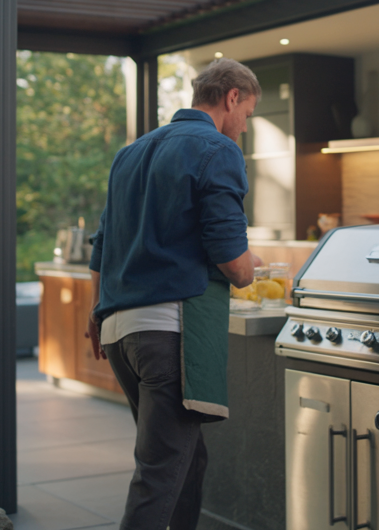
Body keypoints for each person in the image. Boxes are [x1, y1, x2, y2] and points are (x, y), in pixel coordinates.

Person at [85, 58, 263, 530]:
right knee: (158, 475)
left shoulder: (131, 153)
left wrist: (95, 310)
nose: (244, 126)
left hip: (121, 333)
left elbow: (102, 245)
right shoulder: (218, 150)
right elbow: (232, 260)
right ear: (231, 97)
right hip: (168, 336)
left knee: (186, 461)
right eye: (247, 113)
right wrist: (252, 268)